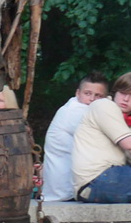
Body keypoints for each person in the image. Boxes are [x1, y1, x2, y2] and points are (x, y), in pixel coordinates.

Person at [71, 72, 131, 203]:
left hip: (116, 176)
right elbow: (130, 144)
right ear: (115, 92)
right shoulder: (103, 105)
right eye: (123, 93)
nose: (126, 99)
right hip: (95, 180)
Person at [40, 73, 110, 202]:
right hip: (63, 193)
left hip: (66, 188)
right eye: (87, 93)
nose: (92, 99)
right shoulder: (75, 111)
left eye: (98, 96)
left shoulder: (81, 109)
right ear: (78, 93)